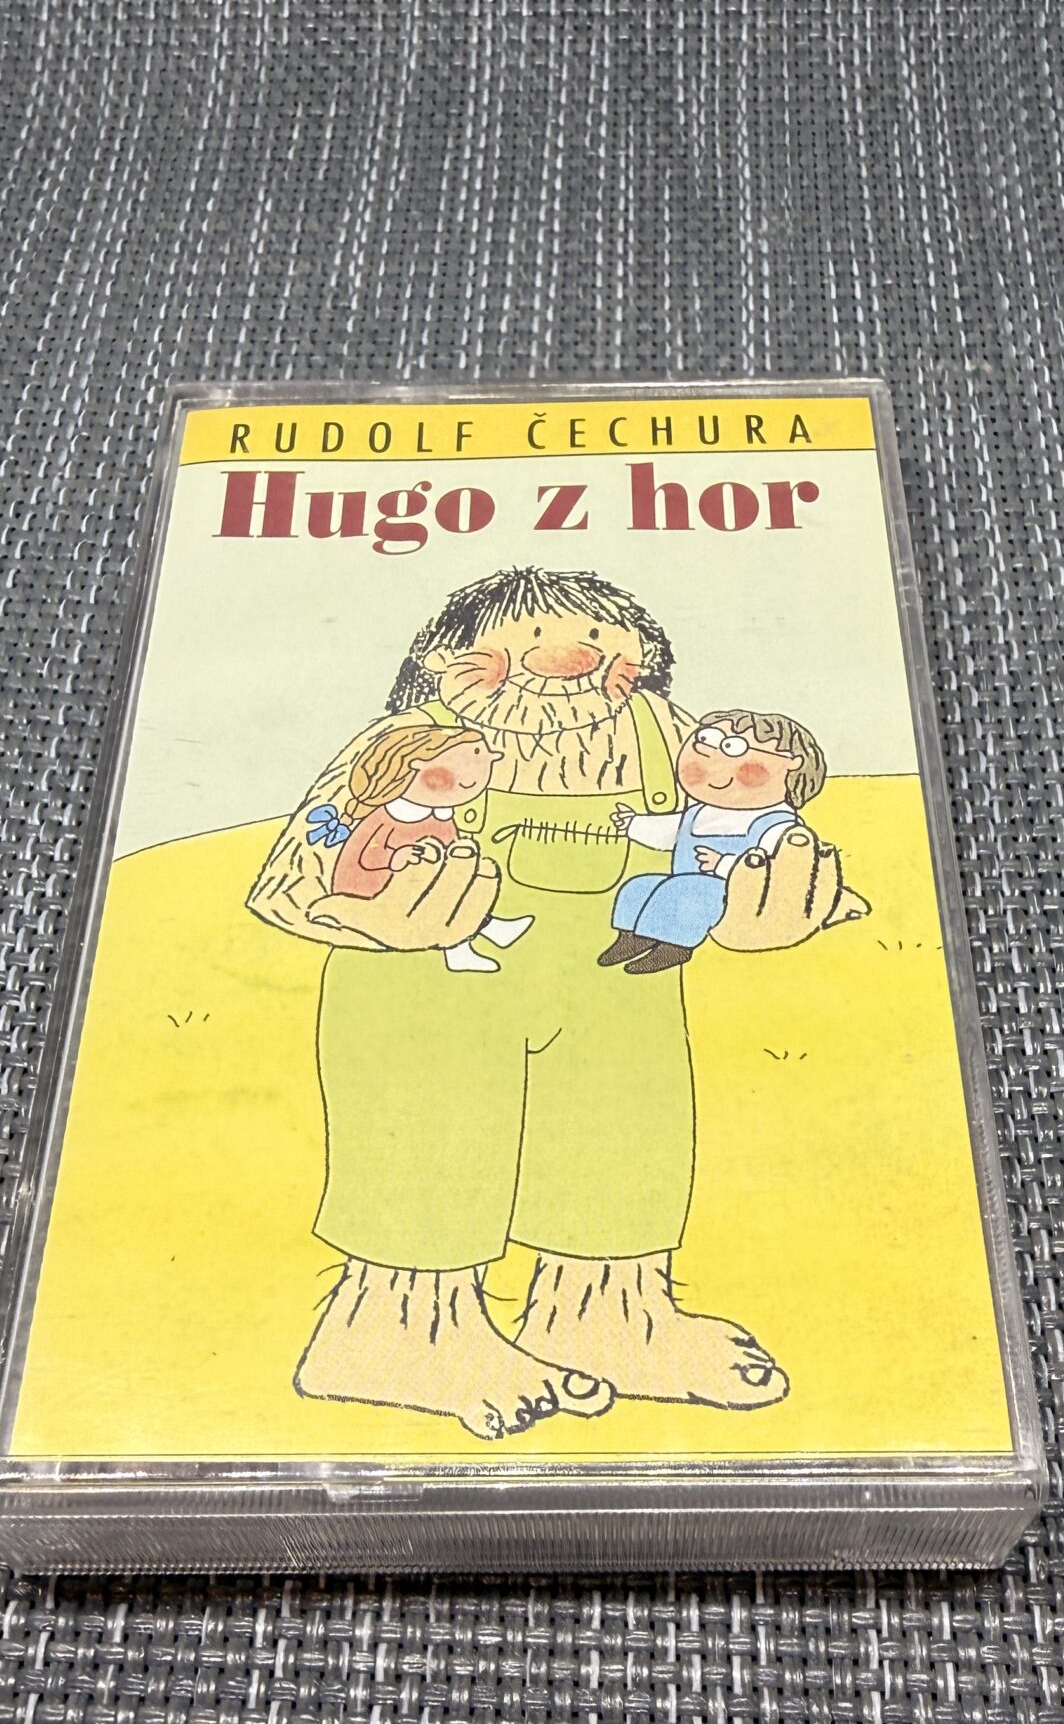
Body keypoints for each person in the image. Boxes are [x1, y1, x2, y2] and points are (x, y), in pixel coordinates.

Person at [247, 566, 867, 1440]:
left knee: (624, 1145)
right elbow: (290, 879)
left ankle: (608, 1319)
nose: (567, 659)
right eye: (528, 639)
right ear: (447, 661)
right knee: (431, 1149)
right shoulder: (408, 744)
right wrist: (369, 916)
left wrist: (767, 910)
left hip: (619, 991)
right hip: (425, 994)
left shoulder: (668, 736)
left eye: (599, 641)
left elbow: (747, 839)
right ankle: (397, 1335)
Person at [600, 709, 828, 973]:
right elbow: (668, 830)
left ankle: (675, 947)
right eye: (706, 741)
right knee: (640, 886)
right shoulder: (700, 812)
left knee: (687, 892)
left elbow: (775, 868)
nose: (712, 760)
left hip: (737, 898)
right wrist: (633, 823)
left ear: (790, 764)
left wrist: (724, 864)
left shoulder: (776, 822)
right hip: (684, 887)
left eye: (732, 748)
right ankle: (633, 938)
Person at [325, 722, 532, 973]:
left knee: (472, 877)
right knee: (444, 894)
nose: (470, 781)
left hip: (424, 884)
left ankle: (488, 928)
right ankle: (462, 948)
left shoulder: (439, 816)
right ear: (414, 769)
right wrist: (396, 858)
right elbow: (368, 857)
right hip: (375, 889)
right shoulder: (388, 817)